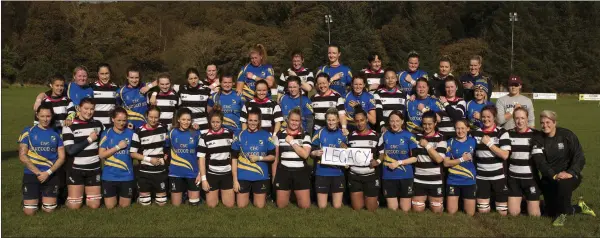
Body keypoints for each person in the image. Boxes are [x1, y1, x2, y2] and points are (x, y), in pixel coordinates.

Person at [532, 110, 595, 226]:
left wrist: (570, 172)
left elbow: (579, 156)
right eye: (542, 123)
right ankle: (578, 207)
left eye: (548, 122)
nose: (545, 125)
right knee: (550, 212)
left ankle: (561, 217)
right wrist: (553, 175)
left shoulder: (567, 135)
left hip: (569, 176)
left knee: (563, 186)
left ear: (555, 122)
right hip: (549, 177)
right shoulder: (538, 139)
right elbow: (540, 162)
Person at [18, 105, 66, 215]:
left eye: (48, 116)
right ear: (37, 115)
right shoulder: (28, 131)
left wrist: (48, 173)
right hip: (32, 174)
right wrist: (39, 173)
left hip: (51, 174)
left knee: (49, 210)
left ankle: (44, 196)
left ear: (52, 116)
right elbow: (22, 155)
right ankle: (33, 196)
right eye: (42, 116)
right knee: (29, 212)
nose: (45, 119)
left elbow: (62, 157)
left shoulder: (58, 133)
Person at [62, 98, 104, 210]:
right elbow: (70, 150)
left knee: (94, 205)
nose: (89, 112)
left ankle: (86, 194)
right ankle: (71, 197)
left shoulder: (98, 124)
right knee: (74, 206)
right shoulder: (69, 125)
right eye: (86, 108)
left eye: (92, 109)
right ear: (79, 108)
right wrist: (89, 139)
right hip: (75, 169)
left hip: (94, 168)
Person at [231, 107, 276, 208]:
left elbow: (272, 157)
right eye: (250, 120)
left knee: (259, 206)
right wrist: (235, 180)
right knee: (241, 206)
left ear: (259, 121)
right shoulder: (239, 135)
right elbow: (234, 159)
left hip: (260, 175)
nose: (252, 123)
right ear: (247, 120)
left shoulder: (266, 135)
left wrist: (259, 158)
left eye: (255, 120)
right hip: (243, 175)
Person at [471, 105, 511, 216]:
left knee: (502, 212)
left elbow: (504, 155)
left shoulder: (502, 132)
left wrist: (489, 143)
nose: (486, 119)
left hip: (498, 176)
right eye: (483, 117)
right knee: (483, 211)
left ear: (494, 117)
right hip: (481, 177)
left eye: (489, 116)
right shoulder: (475, 133)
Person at [378, 111, 418, 212]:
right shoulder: (384, 135)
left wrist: (399, 163)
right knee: (393, 210)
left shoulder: (409, 136)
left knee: (405, 210)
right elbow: (380, 153)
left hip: (405, 175)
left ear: (402, 121)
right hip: (388, 176)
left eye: (397, 121)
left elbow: (415, 158)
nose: (394, 124)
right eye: (392, 121)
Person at [130, 106, 169, 206]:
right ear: (146, 116)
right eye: (151, 117)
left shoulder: (164, 128)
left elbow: (168, 145)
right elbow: (133, 153)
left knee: (161, 203)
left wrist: (166, 154)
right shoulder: (138, 131)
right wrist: (149, 159)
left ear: (159, 117)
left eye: (156, 117)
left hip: (160, 170)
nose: (153, 120)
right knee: (145, 203)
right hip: (145, 170)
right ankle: (141, 195)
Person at [273, 108, 312, 209]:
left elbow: (305, 155)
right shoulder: (279, 134)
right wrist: (274, 176)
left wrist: (292, 142)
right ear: (288, 120)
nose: (294, 123)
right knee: (281, 205)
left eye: (297, 120)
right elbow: (276, 158)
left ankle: (295, 192)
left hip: (300, 171)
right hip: (284, 171)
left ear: (300, 122)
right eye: (292, 120)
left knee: (305, 206)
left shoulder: (305, 135)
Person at [506, 108, 542, 217]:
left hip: (530, 179)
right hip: (513, 178)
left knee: (534, 215)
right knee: (513, 213)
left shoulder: (536, 135)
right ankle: (523, 201)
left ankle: (540, 204)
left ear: (527, 119)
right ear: (513, 119)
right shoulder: (508, 134)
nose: (520, 121)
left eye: (522, 118)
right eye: (517, 118)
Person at [197, 106, 235, 208]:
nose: (215, 124)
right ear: (209, 122)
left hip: (227, 173)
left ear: (222, 121)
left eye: (218, 122)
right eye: (213, 122)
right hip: (212, 173)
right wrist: (204, 179)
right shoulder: (204, 137)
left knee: (229, 205)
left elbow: (233, 156)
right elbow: (201, 159)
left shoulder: (229, 134)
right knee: (212, 205)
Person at [98, 107, 135, 209]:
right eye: (119, 120)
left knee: (125, 206)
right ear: (113, 119)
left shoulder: (131, 133)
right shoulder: (106, 133)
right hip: (109, 175)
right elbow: (101, 155)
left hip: (127, 175)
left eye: (124, 120)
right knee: (110, 206)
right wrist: (118, 147)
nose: (122, 123)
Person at [310, 108, 348, 209]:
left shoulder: (343, 134)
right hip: (322, 172)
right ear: (325, 120)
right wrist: (315, 152)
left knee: (337, 206)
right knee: (322, 207)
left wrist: (346, 152)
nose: (331, 122)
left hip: (338, 172)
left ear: (338, 120)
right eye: (329, 120)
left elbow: (348, 152)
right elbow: (311, 152)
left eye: (333, 120)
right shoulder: (319, 132)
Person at [411, 111, 447, 214]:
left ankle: (435, 202)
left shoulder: (441, 138)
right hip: (419, 179)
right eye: (424, 124)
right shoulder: (416, 137)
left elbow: (439, 159)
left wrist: (427, 145)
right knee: (417, 209)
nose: (427, 127)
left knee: (437, 211)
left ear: (435, 123)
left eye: (430, 124)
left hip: (435, 180)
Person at [347, 106, 380, 212]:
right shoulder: (351, 136)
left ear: (366, 119)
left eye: (362, 120)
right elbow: (347, 154)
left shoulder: (376, 136)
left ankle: (375, 200)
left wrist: (378, 161)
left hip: (370, 175)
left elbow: (383, 153)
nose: (359, 123)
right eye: (357, 121)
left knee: (371, 209)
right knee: (357, 208)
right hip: (354, 175)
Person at [167, 108, 201, 206]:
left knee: (194, 205)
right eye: (183, 119)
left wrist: (199, 173)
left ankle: (188, 194)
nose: (186, 122)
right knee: (176, 206)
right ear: (178, 119)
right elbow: (166, 148)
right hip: (176, 173)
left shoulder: (196, 133)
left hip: (192, 173)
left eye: (188, 120)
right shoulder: (172, 133)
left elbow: (200, 154)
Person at [443, 119, 477, 216]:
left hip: (469, 179)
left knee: (470, 213)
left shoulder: (473, 141)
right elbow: (446, 163)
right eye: (458, 128)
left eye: (463, 128)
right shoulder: (450, 142)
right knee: (451, 212)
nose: (460, 131)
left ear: (468, 129)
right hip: (453, 180)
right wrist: (462, 159)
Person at [374, 68, 408, 134]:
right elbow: (379, 112)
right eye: (387, 78)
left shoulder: (403, 94)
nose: (390, 80)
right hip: (385, 129)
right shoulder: (378, 93)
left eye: (392, 78)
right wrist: (382, 126)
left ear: (396, 79)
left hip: (400, 129)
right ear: (384, 79)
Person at [90, 63, 119, 128]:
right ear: (98, 74)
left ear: (110, 73)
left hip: (111, 126)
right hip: (96, 126)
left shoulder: (116, 88)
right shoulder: (91, 87)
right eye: (102, 74)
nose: (105, 77)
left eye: (107, 73)